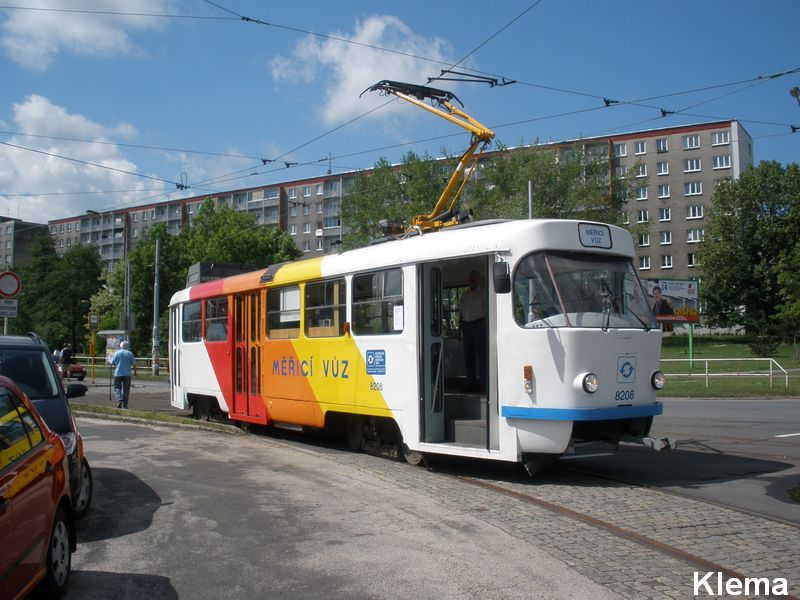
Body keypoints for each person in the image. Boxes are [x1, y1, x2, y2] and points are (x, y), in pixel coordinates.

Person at [459, 270, 486, 392]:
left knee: (481, 355)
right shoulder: (464, 295)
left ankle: (483, 382)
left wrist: (485, 323)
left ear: (479, 279)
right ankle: (470, 382)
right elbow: (461, 313)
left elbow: (488, 310)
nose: (472, 280)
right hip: (466, 326)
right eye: (470, 278)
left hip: (479, 325)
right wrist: (460, 329)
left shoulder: (483, 293)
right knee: (468, 356)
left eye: (474, 278)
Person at [109, 341, 137, 409]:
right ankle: (125, 406)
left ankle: (119, 399)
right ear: (126, 346)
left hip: (118, 374)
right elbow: (134, 364)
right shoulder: (130, 353)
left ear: (120, 346)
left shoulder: (117, 353)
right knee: (126, 390)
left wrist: (109, 359)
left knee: (117, 388)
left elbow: (111, 363)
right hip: (127, 374)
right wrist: (135, 373)